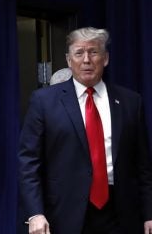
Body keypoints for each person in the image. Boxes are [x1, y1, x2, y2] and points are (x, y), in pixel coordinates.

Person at [18, 27, 152, 234]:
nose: (86, 60)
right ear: (69, 60)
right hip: (64, 214)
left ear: (105, 58)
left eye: (94, 52)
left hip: (121, 213)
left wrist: (149, 213)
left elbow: (142, 165)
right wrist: (35, 213)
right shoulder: (44, 101)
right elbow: (28, 162)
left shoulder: (130, 102)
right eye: (79, 53)